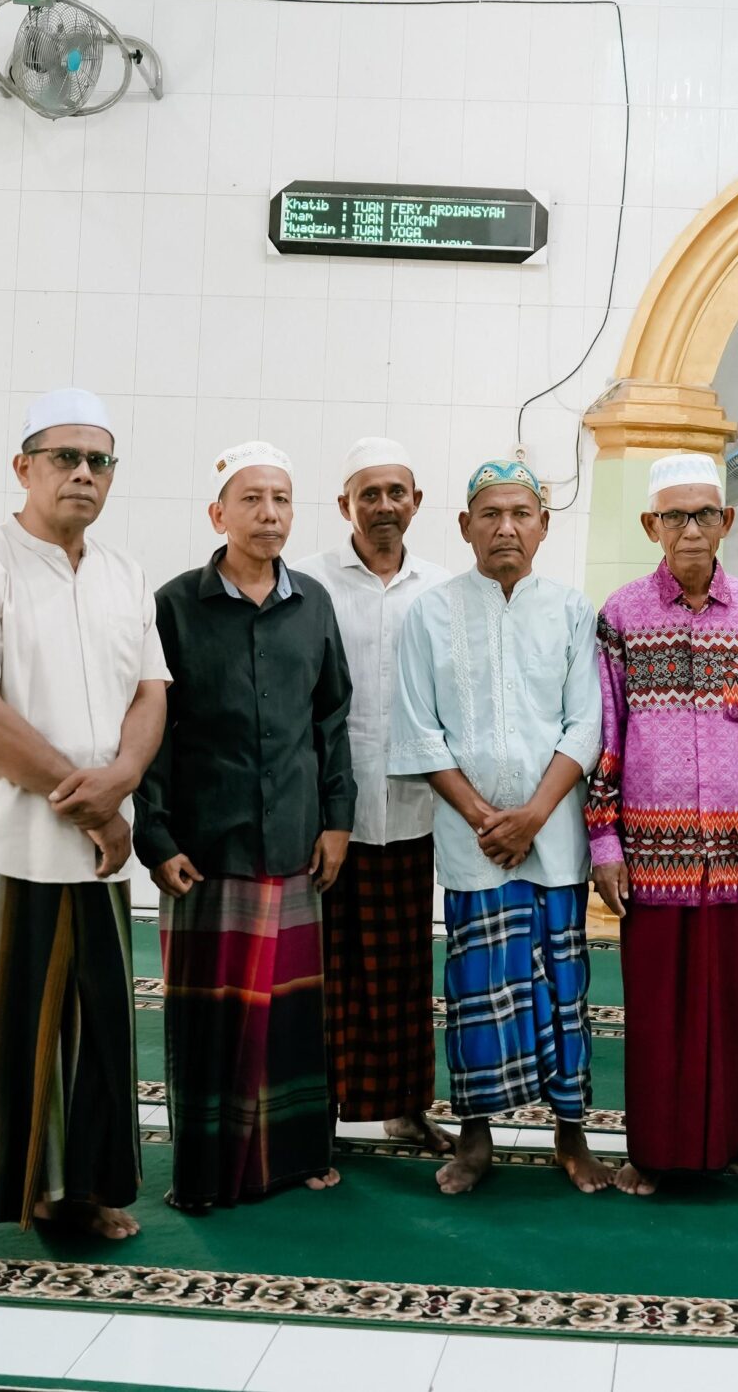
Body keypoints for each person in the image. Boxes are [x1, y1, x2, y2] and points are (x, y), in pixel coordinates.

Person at [0, 387, 169, 1288]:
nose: (84, 474)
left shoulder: (125, 574)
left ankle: (73, 1191)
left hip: (91, 854)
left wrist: (124, 778)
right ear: (23, 468)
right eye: (65, 458)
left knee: (91, 1038)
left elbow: (150, 694)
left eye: (100, 461)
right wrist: (90, 799)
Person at [135, 441, 354, 1209]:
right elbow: (150, 729)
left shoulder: (313, 604)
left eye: (282, 499)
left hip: (294, 840)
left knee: (289, 1018)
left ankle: (291, 1160)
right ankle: (206, 1175)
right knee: (212, 1021)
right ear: (217, 513)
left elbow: (331, 719)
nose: (269, 514)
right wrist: (154, 837)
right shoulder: (172, 606)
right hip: (207, 846)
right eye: (253, 499)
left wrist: (337, 820)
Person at [390, 457, 614, 1195]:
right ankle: (478, 1139)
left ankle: (571, 1136)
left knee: (561, 991)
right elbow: (421, 734)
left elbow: (586, 726)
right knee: (480, 992)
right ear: (464, 527)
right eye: (490, 514)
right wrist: (489, 819)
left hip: (552, 843)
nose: (506, 527)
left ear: (544, 527)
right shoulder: (430, 612)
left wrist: (534, 815)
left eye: (521, 514)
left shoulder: (573, 611)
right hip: (474, 844)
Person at [585, 453, 738, 1197]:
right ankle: (650, 1152)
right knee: (657, 1014)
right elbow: (605, 736)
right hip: (650, 855)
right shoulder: (620, 616)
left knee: (734, 1012)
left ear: (727, 522)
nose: (692, 529)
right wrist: (604, 843)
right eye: (675, 516)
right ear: (651, 526)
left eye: (705, 514)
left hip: (736, 859)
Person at [293, 439, 452, 1155]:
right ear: (345, 506)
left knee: (402, 973)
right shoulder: (308, 583)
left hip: (413, 812)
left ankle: (406, 1107)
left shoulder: (441, 589)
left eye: (397, 492)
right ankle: (312, 1115)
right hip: (328, 813)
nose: (384, 505)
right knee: (322, 972)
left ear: (416, 502)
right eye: (369, 493)